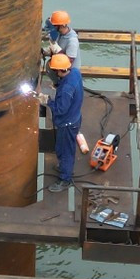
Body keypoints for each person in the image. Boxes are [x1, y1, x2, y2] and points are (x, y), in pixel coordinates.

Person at [47, 51, 83, 189]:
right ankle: (64, 167)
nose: (55, 73)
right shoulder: (75, 72)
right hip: (75, 117)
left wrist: (48, 101)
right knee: (63, 148)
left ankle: (65, 179)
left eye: (56, 71)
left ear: (61, 70)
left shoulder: (66, 89)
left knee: (66, 150)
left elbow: (60, 110)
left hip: (67, 123)